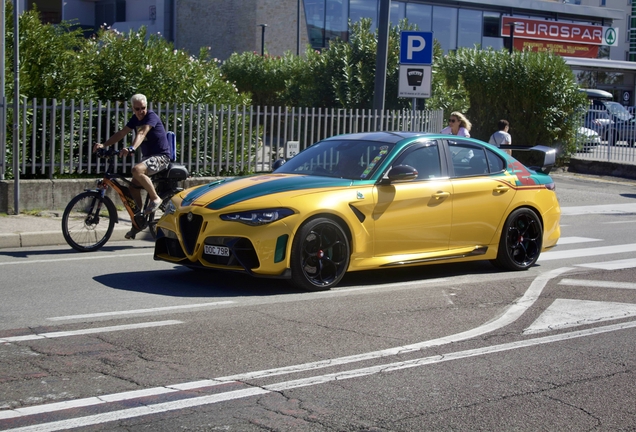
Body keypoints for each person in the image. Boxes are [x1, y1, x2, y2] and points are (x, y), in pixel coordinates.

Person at [93, 93, 171, 237]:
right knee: (132, 189)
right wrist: (104, 145)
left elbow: (142, 133)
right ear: (132, 109)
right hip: (148, 158)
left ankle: (155, 198)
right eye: (137, 109)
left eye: (143, 108)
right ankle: (138, 222)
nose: (141, 112)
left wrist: (132, 148)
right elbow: (122, 133)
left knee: (136, 169)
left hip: (161, 157)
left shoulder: (151, 116)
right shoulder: (135, 118)